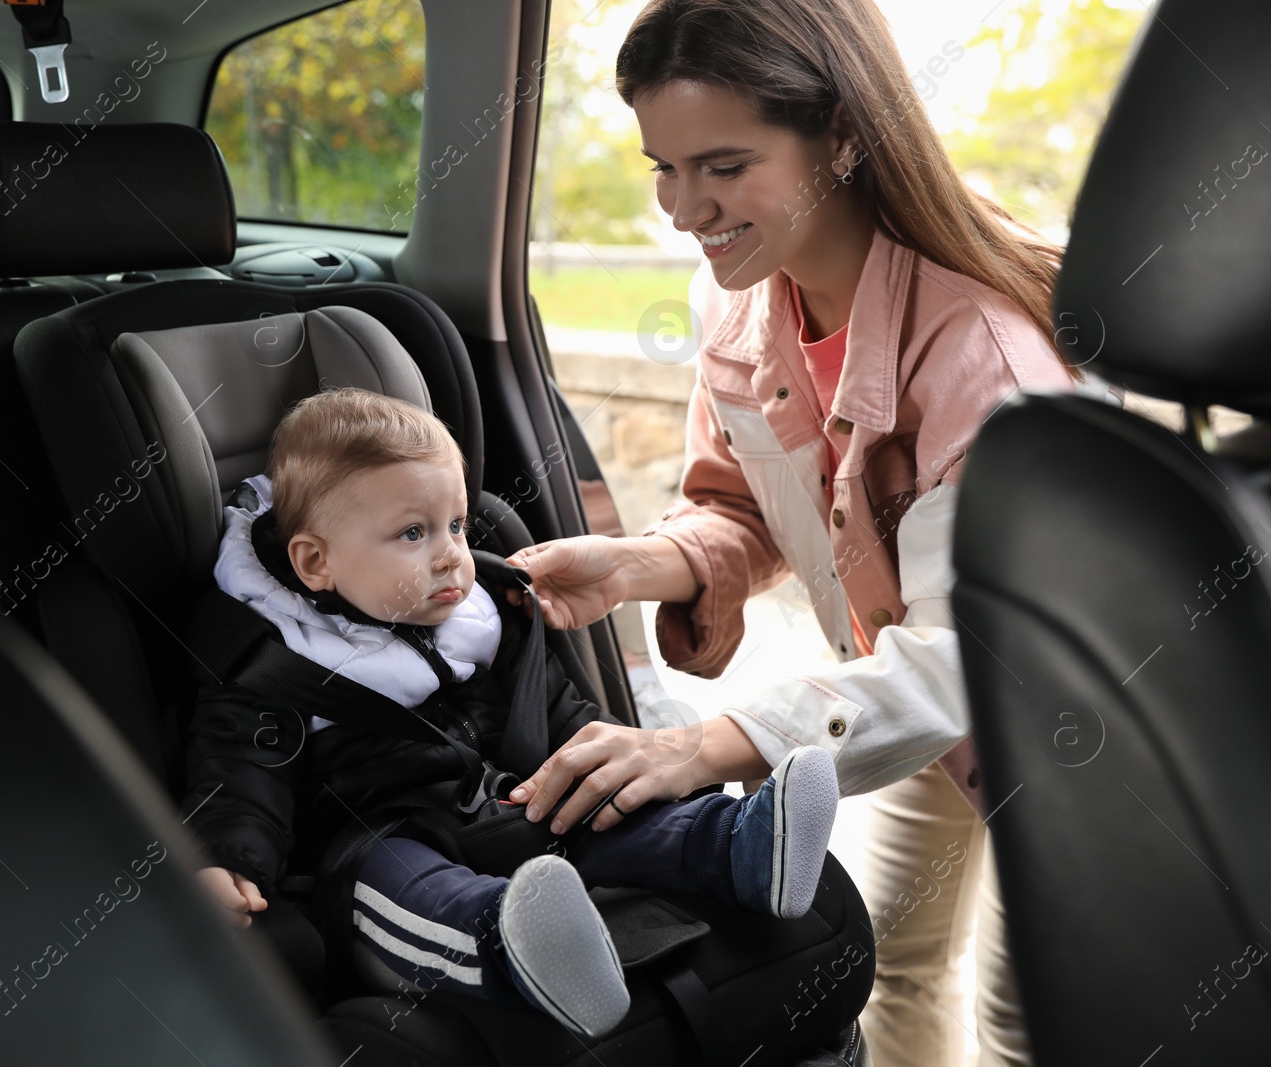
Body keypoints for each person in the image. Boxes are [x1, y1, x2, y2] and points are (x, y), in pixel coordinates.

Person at [501, 2, 1110, 1065]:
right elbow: (740, 505)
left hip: (1067, 725)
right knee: (893, 974)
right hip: (898, 687)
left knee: (1041, 1029)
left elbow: (971, 650)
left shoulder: (986, 359)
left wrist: (706, 745)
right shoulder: (735, 304)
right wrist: (650, 561)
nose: (684, 208)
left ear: (841, 137)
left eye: (723, 166)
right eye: (664, 167)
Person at [181, 387, 840, 1040]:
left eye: (456, 526)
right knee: (404, 887)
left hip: (506, 799)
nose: (449, 554)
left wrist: (618, 762)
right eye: (413, 533)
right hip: (377, 838)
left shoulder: (481, 616)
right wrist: (228, 861)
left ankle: (741, 845)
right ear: (316, 561)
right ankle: (517, 947)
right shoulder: (278, 659)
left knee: (599, 810)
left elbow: (553, 712)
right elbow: (241, 779)